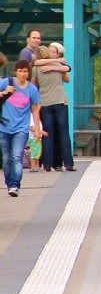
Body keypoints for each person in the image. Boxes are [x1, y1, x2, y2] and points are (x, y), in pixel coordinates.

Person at [0, 60, 43, 196]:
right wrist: (4, 92)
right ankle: (9, 182)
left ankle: (15, 185)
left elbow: (35, 109)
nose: (22, 74)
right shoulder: (7, 82)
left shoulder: (31, 89)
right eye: (20, 71)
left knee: (16, 156)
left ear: (28, 73)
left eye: (25, 71)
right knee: (6, 159)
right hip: (4, 127)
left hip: (21, 128)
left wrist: (37, 129)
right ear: (15, 71)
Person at [32, 43, 75, 172]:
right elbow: (67, 79)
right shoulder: (59, 65)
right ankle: (68, 163)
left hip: (45, 102)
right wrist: (57, 68)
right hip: (60, 101)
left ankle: (47, 164)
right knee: (63, 133)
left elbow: (34, 86)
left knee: (48, 133)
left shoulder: (36, 69)